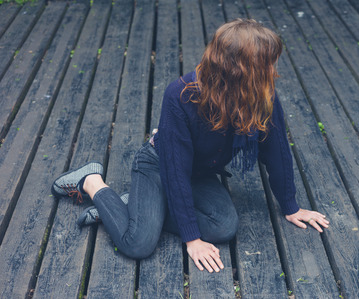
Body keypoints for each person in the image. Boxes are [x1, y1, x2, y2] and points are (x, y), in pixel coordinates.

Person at [51, 18, 329, 273]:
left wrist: (291, 206)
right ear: (241, 69)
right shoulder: (182, 95)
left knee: (225, 226)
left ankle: (130, 209)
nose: (273, 71)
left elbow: (276, 151)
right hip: (159, 164)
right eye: (268, 63)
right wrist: (192, 238)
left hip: (199, 172)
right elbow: (174, 170)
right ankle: (92, 182)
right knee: (138, 243)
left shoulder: (262, 95)